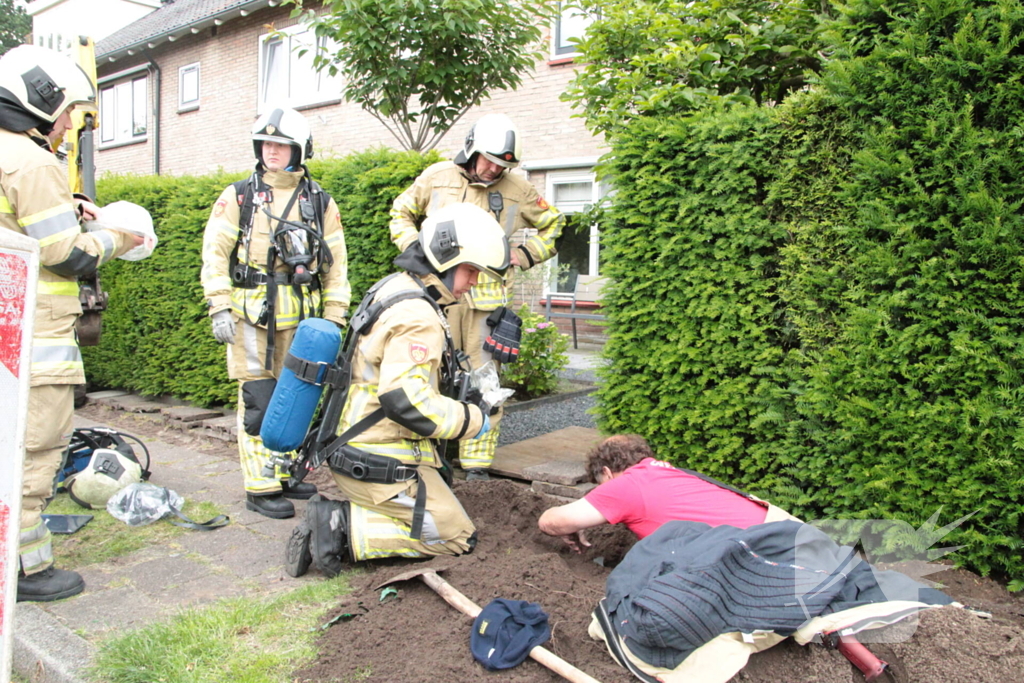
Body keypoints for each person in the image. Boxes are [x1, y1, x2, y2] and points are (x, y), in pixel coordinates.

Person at [285, 203, 510, 577]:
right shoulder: (418, 316)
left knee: (442, 497)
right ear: (446, 259)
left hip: (356, 445)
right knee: (457, 538)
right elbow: (406, 401)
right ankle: (337, 527)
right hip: (376, 458)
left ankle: (365, 512)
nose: (474, 282)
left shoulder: (397, 286)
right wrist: (473, 420)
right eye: (471, 270)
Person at [0, 45, 145, 601]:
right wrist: (121, 238)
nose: (66, 126)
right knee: (34, 452)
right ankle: (25, 571)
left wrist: (70, 206)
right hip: (34, 339)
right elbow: (65, 253)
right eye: (65, 113)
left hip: (11, 328)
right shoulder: (32, 161)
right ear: (38, 101)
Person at [389, 113, 565, 480]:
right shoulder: (437, 176)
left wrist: (524, 254)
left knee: (484, 380)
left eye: (502, 165)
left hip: (487, 305)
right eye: (489, 160)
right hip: (435, 296)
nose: (494, 169)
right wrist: (417, 251)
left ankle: (476, 465)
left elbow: (555, 224)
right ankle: (426, 457)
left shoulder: (519, 189)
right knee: (427, 372)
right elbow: (400, 212)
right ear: (471, 150)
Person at [201, 107, 350, 519]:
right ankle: (260, 486)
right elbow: (215, 253)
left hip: (303, 320)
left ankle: (285, 473)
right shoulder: (240, 196)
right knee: (259, 400)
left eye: (281, 145)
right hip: (252, 317)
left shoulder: (319, 201)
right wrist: (218, 304)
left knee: (299, 397)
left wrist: (335, 315)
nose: (271, 151)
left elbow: (336, 263)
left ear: (299, 150)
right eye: (266, 143)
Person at [538, 435, 798, 552]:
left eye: (600, 485)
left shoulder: (628, 485)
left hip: (764, 555)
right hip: (791, 533)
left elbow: (550, 522)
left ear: (606, 472)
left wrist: (572, 522)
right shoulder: (669, 474)